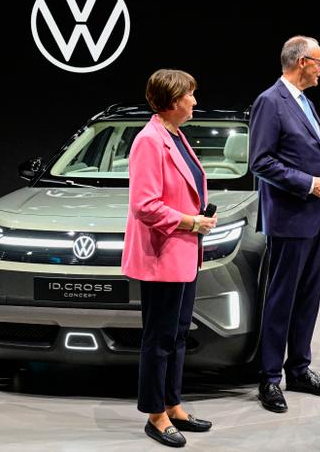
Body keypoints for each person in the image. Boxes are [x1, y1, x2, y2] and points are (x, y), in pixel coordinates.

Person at [122, 69, 219, 448]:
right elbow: (144, 205)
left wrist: (197, 220)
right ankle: (154, 414)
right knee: (159, 338)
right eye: (190, 94)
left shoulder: (175, 135)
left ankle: (173, 404)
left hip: (183, 253)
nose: (195, 100)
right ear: (174, 100)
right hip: (162, 255)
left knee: (177, 335)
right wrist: (191, 221)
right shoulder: (149, 140)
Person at [248, 35, 320, 413]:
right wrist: (308, 184)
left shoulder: (306, 102)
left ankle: (299, 370)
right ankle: (270, 378)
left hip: (317, 218)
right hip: (289, 220)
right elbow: (261, 161)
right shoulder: (270, 101)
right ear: (302, 62)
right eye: (319, 62)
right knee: (282, 300)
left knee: (308, 298)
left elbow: (311, 156)